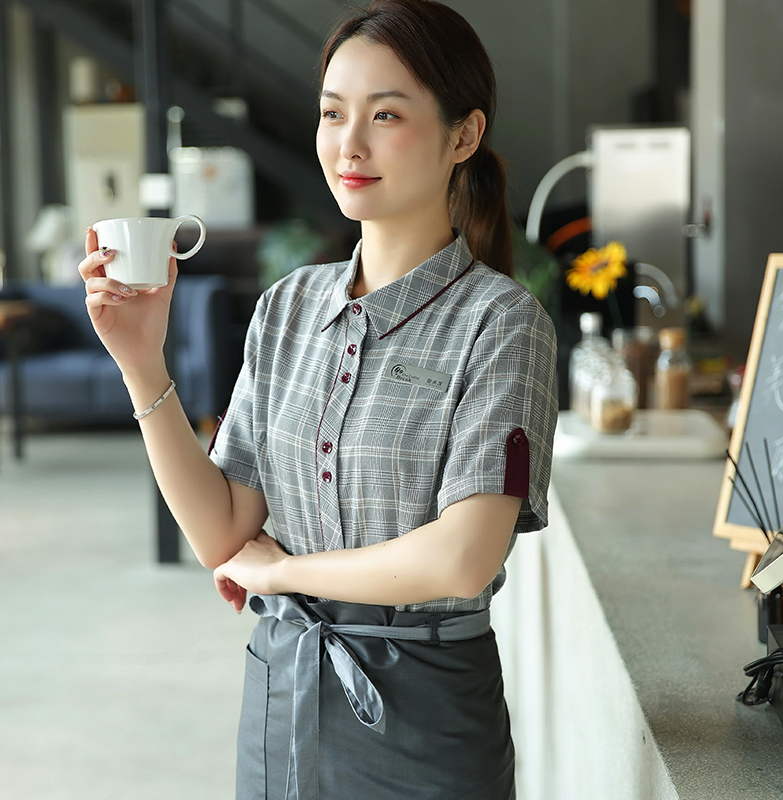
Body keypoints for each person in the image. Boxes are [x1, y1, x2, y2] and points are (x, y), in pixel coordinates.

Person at [79, 1, 558, 797]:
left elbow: (463, 558)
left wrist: (283, 573)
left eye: (387, 115)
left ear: (463, 136)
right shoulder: (288, 307)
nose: (350, 144)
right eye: (333, 114)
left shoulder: (503, 324)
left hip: (427, 721)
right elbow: (220, 529)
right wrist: (141, 363)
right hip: (281, 695)